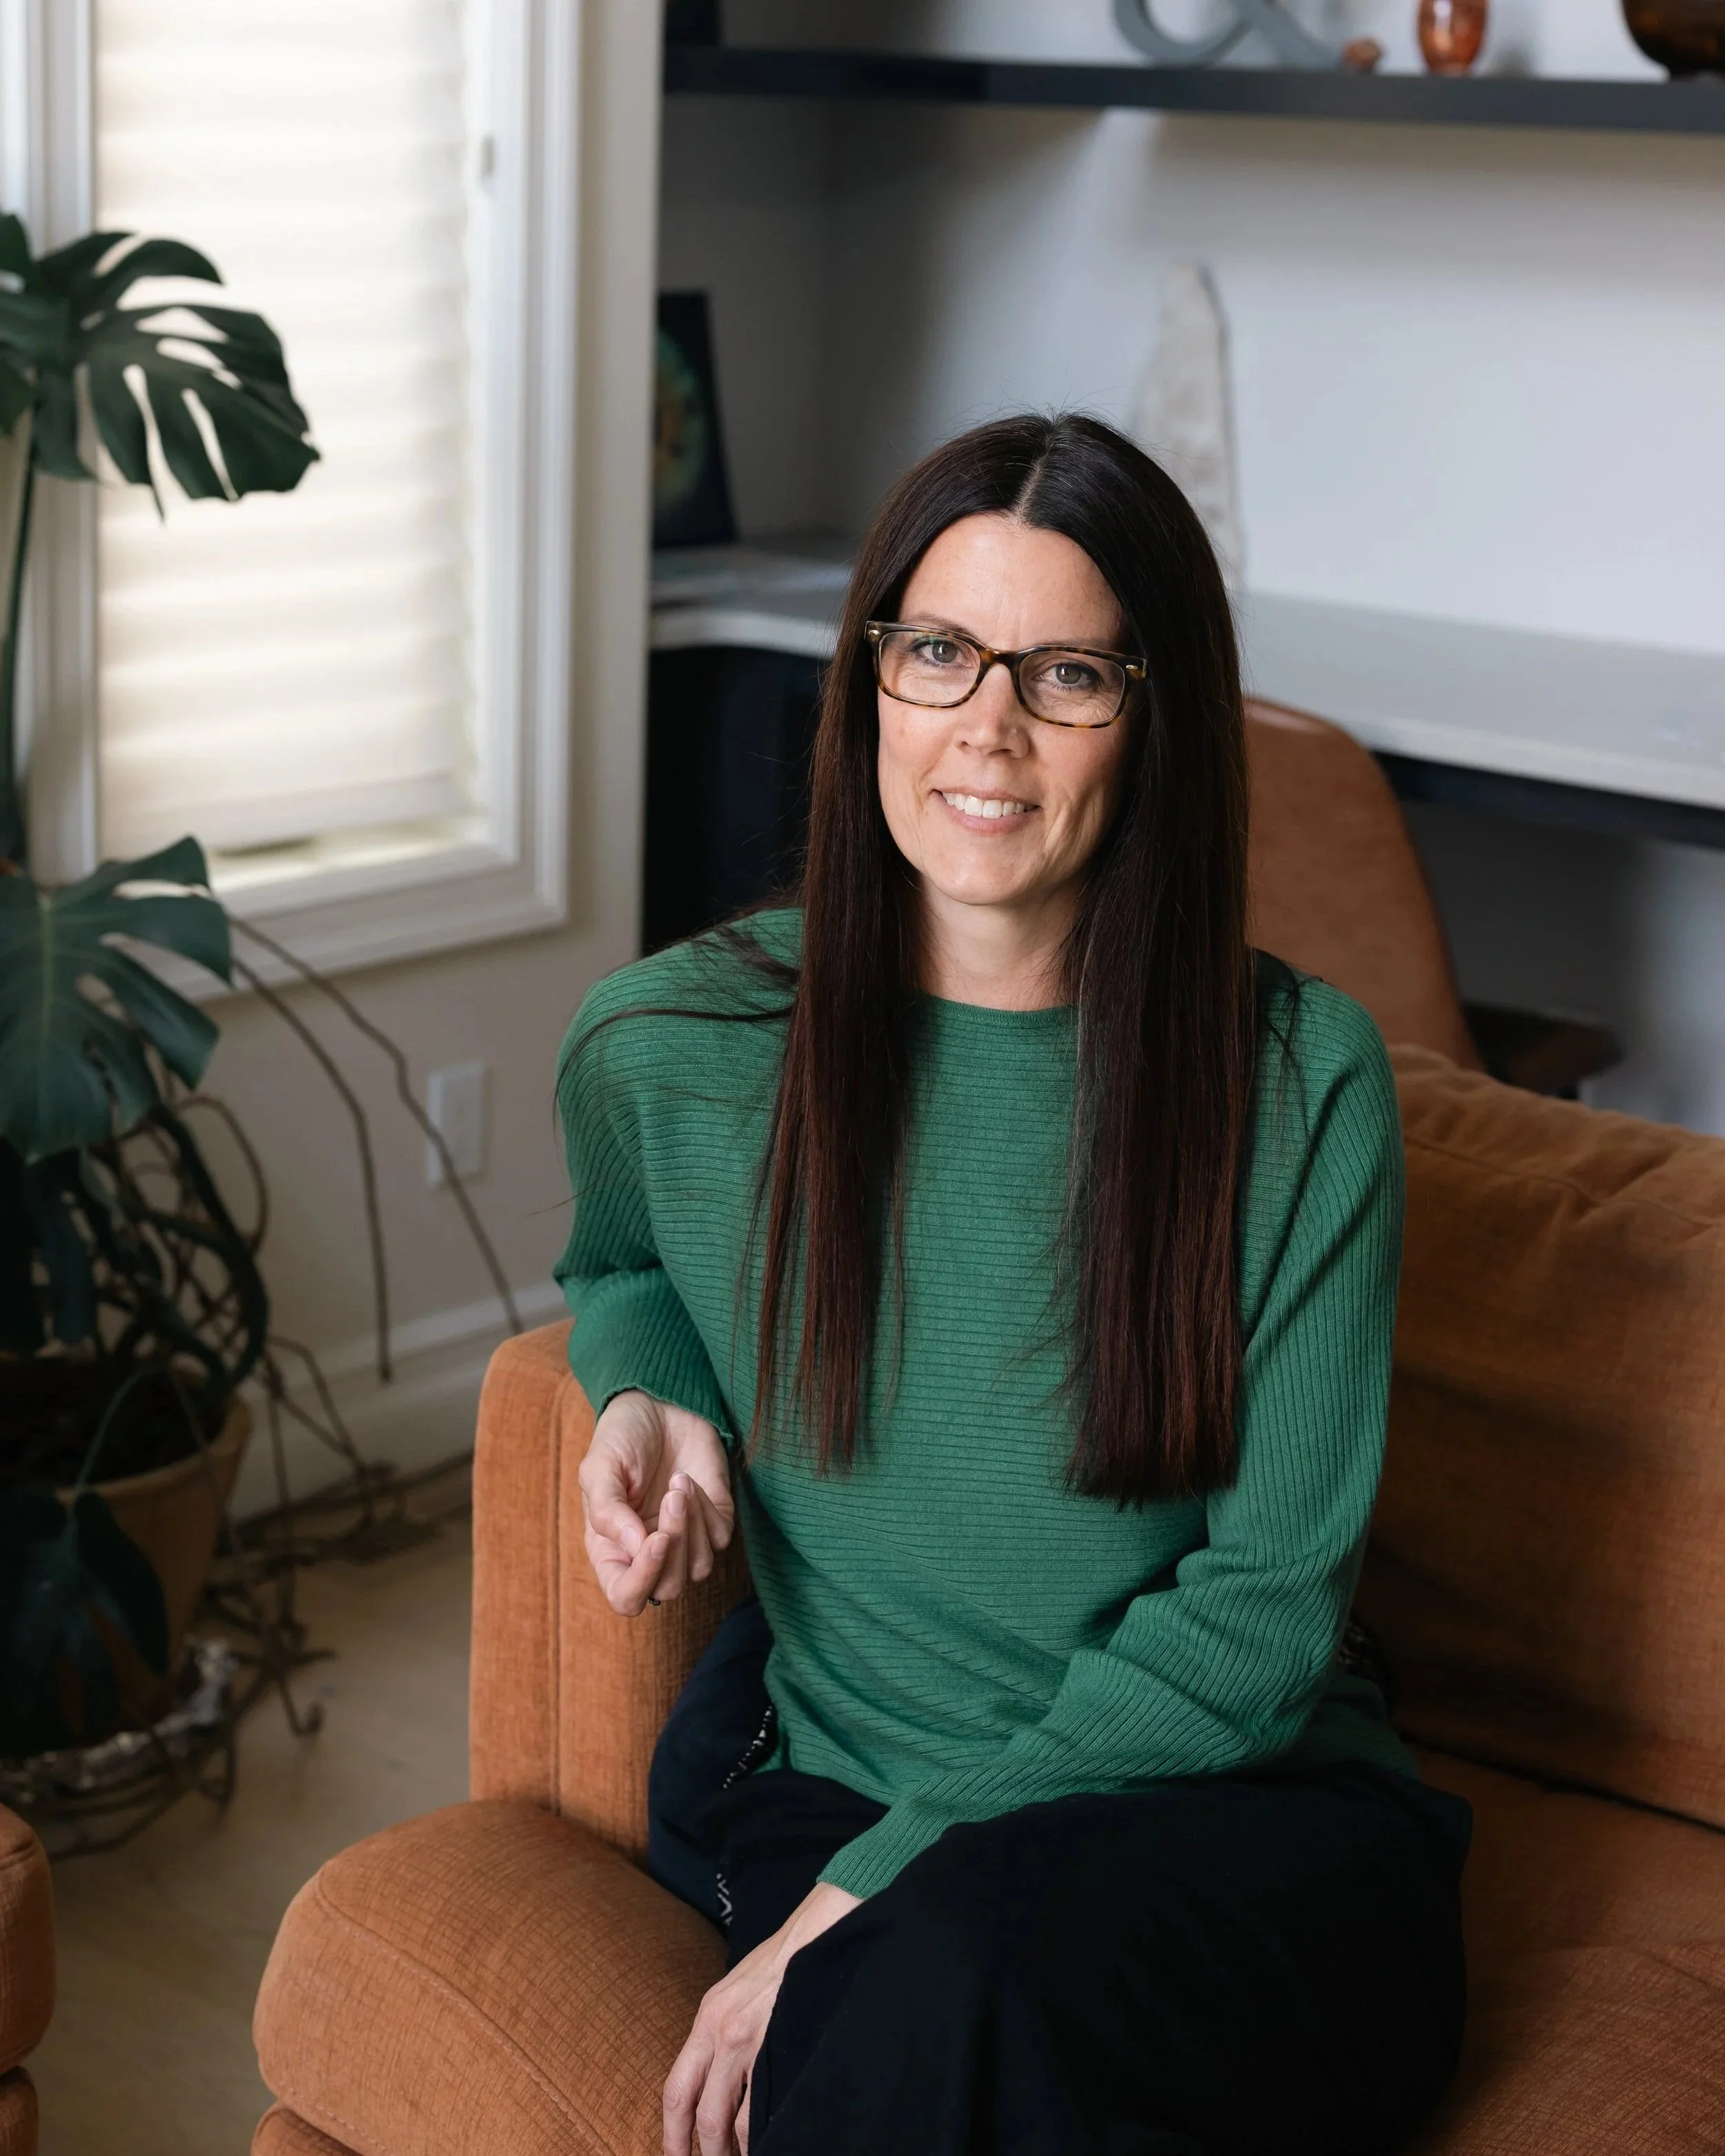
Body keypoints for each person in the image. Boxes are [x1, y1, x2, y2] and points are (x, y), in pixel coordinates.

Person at [554, 412, 1470, 2156]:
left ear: (1153, 716)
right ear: (870, 682)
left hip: (1227, 1813)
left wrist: (876, 1886)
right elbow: (618, 1254)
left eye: (1063, 672)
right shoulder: (668, 1043)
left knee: (951, 1989)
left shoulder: (1298, 1084)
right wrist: (642, 1375)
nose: (985, 723)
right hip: (835, 1769)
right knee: (925, 2022)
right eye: (939, 650)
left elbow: (1265, 1615)